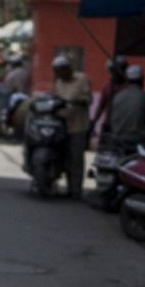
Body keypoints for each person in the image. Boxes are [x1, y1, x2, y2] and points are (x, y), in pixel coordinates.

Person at [50, 54, 94, 196]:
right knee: (65, 157)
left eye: (60, 70)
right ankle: (67, 187)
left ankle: (75, 190)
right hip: (61, 125)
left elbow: (88, 98)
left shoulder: (82, 79)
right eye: (56, 71)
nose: (58, 73)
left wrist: (76, 100)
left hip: (78, 125)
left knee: (76, 159)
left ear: (67, 68)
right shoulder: (58, 82)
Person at [105, 64, 145, 152]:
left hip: (118, 142)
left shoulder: (118, 97)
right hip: (140, 144)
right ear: (142, 80)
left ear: (128, 81)